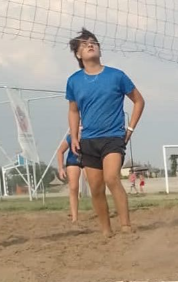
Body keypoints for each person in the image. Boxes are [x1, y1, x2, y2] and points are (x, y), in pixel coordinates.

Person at [66, 28, 146, 237]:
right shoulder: (74, 80)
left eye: (93, 42)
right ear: (78, 54)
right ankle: (105, 230)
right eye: (84, 44)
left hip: (113, 136)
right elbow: (73, 110)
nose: (90, 45)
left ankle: (126, 226)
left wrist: (130, 129)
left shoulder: (116, 75)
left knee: (112, 178)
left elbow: (139, 101)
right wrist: (74, 137)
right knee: (96, 187)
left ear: (99, 49)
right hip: (88, 140)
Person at [56, 134, 82, 222]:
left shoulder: (91, 132)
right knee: (73, 187)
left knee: (94, 185)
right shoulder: (71, 136)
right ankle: (74, 217)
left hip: (89, 160)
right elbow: (60, 151)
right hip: (73, 160)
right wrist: (61, 168)